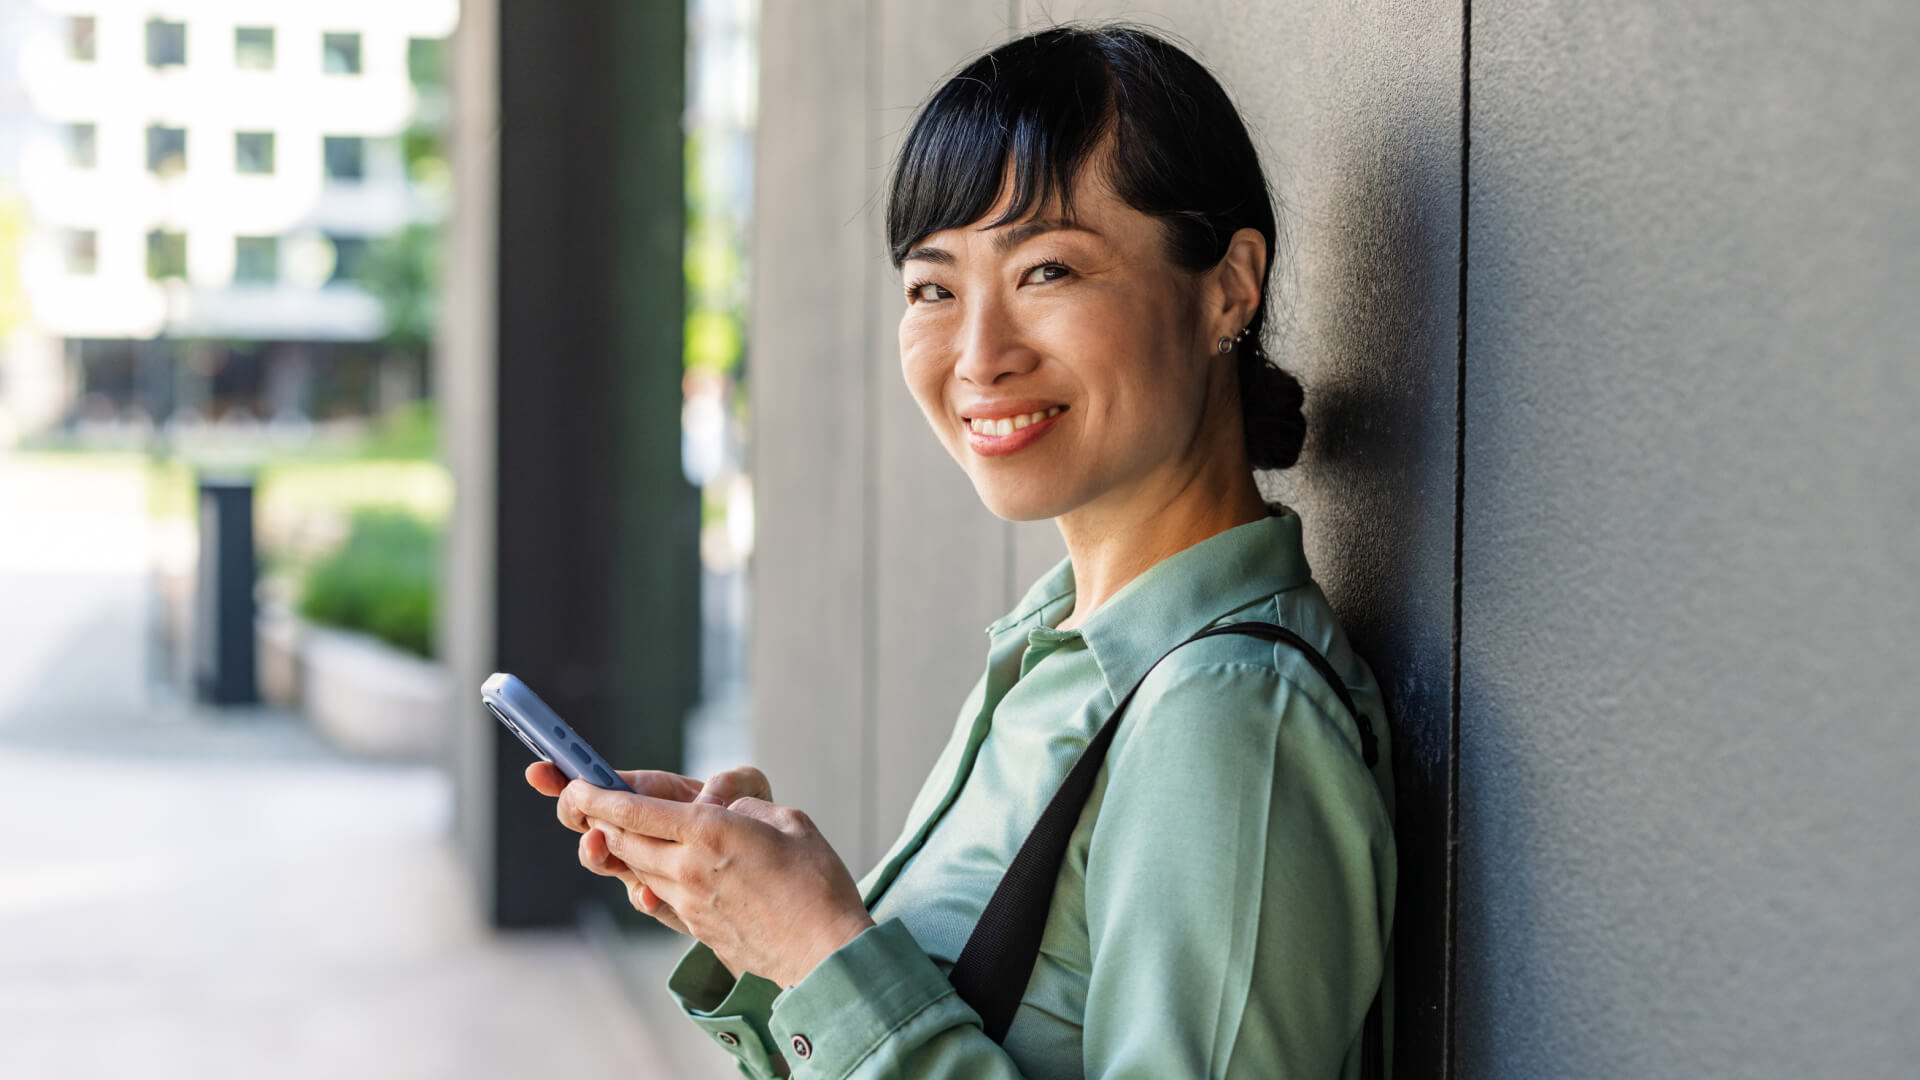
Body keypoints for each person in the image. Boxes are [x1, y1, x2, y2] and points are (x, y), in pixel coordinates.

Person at [525, 23, 1396, 1079]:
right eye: (935, 288)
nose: (979, 356)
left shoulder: (1227, 716)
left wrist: (821, 951)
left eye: (1048, 270)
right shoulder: (1056, 646)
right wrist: (756, 928)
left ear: (1229, 287)